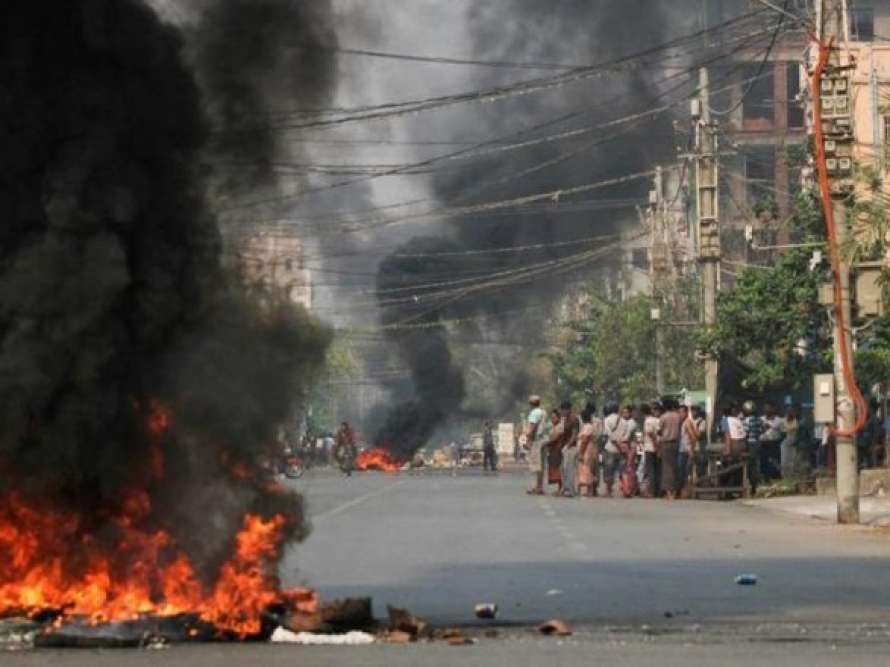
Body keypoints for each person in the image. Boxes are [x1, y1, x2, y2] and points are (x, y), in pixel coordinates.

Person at [658, 398, 682, 500]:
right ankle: (676, 491)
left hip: (666, 443)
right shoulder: (678, 417)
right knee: (674, 467)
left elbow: (659, 431)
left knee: (667, 468)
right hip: (676, 443)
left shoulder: (663, 417)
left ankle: (669, 493)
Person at [577, 402, 601, 498]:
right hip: (593, 449)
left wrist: (581, 453)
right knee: (592, 469)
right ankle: (592, 490)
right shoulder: (592, 426)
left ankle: (590, 490)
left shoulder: (587, 427)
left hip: (587, 450)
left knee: (587, 469)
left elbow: (584, 441)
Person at [524, 396, 547, 494]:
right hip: (542, 440)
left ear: (531, 404)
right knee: (540, 465)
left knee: (536, 465)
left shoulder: (534, 413)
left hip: (536, 441)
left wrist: (528, 440)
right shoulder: (543, 412)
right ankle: (539, 486)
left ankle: (538, 487)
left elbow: (533, 428)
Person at [602, 402, 626, 497]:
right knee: (621, 470)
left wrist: (616, 443)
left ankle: (608, 490)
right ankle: (625, 489)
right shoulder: (623, 420)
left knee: (608, 469)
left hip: (610, 447)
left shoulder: (607, 419)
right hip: (621, 448)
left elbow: (608, 434)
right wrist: (621, 446)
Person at [558, 401, 581, 497]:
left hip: (571, 447)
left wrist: (568, 446)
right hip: (565, 447)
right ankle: (565, 488)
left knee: (569, 469)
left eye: (563, 410)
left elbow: (574, 434)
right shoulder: (565, 419)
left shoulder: (573, 419)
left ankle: (570, 490)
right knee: (563, 468)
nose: (562, 412)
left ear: (567, 410)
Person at [678, 405, 699, 498]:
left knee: (685, 472)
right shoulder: (684, 422)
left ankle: (686, 492)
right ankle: (684, 492)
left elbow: (693, 436)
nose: (680, 414)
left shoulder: (687, 422)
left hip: (686, 451)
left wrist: (691, 449)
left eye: (681, 412)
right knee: (683, 472)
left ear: (686, 412)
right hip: (683, 450)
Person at [742, 401, 763, 492]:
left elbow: (745, 433)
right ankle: (756, 484)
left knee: (750, 465)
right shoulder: (759, 420)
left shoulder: (747, 420)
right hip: (758, 443)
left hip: (750, 444)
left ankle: (752, 485)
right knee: (756, 464)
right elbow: (762, 430)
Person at [760, 404, 784, 480]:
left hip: (774, 444)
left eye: (769, 409)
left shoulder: (779, 420)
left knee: (775, 462)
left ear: (773, 409)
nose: (767, 411)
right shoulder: (760, 419)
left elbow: (783, 433)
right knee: (764, 462)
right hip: (763, 444)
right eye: (766, 409)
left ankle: (776, 478)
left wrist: (778, 441)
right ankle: (765, 478)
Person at [640, 403, 659, 498]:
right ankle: (656, 490)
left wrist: (655, 445)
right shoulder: (656, 420)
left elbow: (650, 433)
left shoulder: (647, 421)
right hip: (656, 447)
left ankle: (651, 491)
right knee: (656, 469)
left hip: (650, 447)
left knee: (650, 470)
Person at [780, 407, 800, 478]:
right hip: (785, 443)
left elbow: (795, 430)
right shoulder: (783, 421)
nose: (790, 414)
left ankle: (792, 476)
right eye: (788, 413)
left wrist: (787, 430)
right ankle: (784, 475)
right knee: (784, 460)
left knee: (792, 460)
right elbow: (782, 430)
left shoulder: (796, 421)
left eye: (792, 413)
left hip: (793, 442)